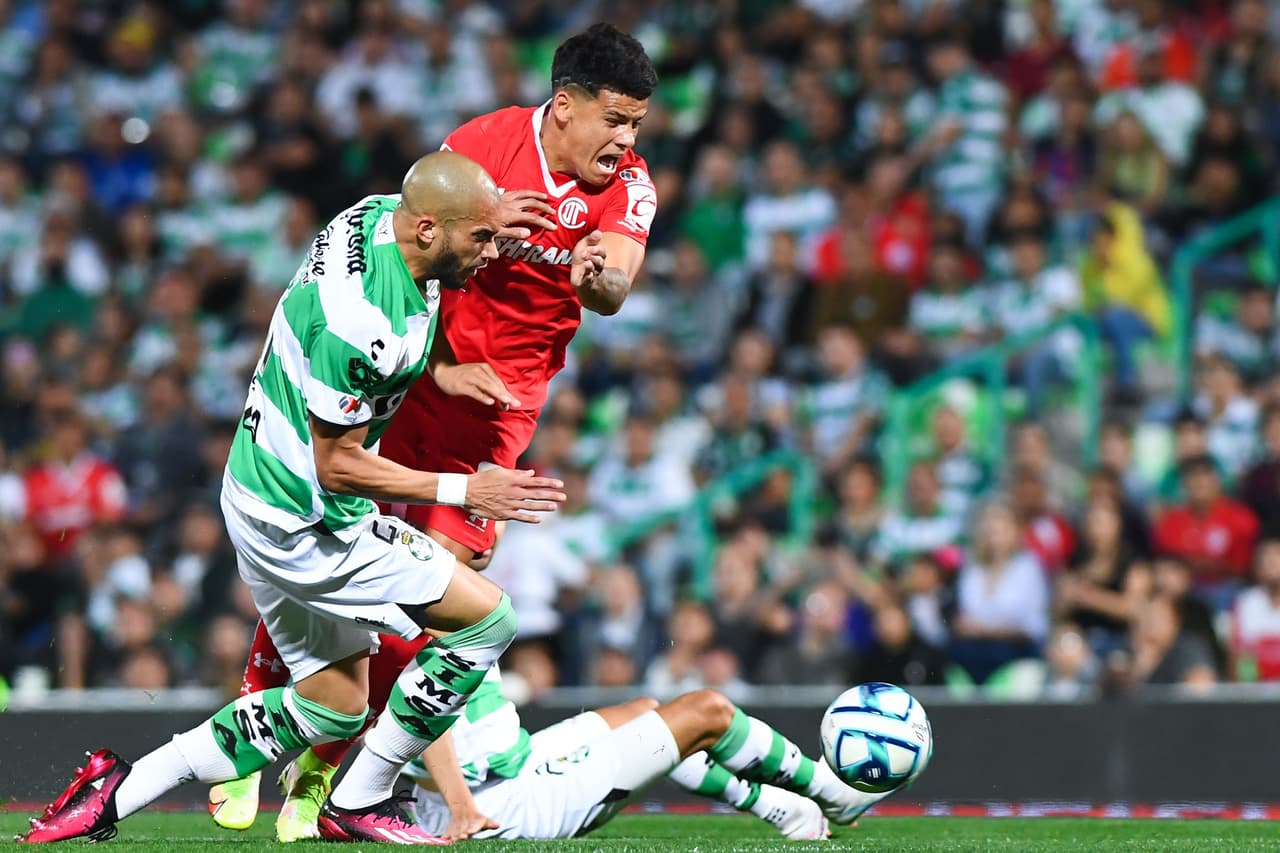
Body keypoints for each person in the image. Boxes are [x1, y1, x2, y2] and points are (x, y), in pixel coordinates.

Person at [21, 152, 570, 845]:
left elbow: (406, 303)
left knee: (337, 708)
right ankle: (359, 796)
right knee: (488, 622)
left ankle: (119, 787)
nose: (491, 254)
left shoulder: (370, 216)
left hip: (254, 494)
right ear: (428, 229)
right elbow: (339, 466)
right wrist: (470, 488)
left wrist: (448, 361)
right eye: (481, 240)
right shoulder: (367, 325)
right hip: (308, 525)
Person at [212, 23, 661, 838]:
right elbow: (415, 245)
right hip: (419, 375)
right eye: (616, 121)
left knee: (435, 600)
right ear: (565, 106)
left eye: (637, 125)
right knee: (331, 542)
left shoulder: (632, 187)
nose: (627, 141)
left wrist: (601, 279)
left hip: (500, 412)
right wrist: (448, 349)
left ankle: (330, 771)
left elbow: (616, 284)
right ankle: (261, 728)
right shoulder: (481, 147)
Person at [397, 668, 887, 841]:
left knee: (645, 711)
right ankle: (832, 793)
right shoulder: (425, 609)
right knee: (707, 711)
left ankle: (782, 809)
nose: (492, 531)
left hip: (512, 764)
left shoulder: (434, 590)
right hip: (495, 805)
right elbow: (422, 715)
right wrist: (462, 806)